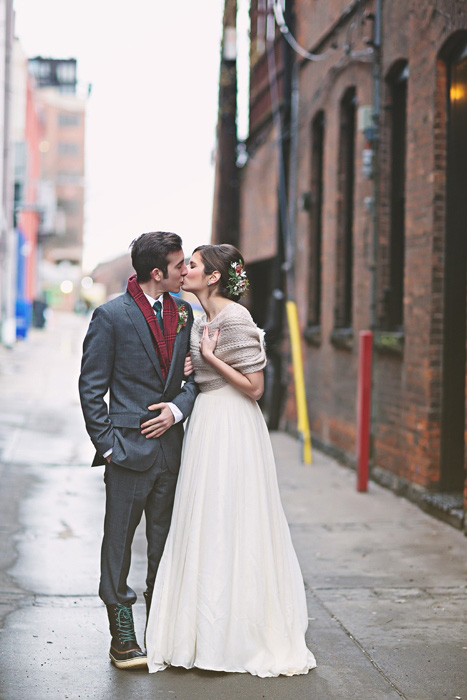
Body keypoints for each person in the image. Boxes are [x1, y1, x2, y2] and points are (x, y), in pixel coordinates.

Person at [146, 243, 316, 677]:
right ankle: (203, 629)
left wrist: (207, 358)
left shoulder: (235, 319)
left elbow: (255, 387)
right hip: (206, 422)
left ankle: (237, 633)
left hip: (233, 424)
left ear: (215, 276)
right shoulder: (201, 317)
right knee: (205, 520)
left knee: (231, 517)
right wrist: (192, 362)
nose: (185, 270)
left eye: (194, 265)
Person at [78, 231, 198, 669]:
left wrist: (177, 411)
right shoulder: (110, 316)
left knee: (166, 544)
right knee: (119, 545)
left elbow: (194, 381)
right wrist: (108, 447)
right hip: (127, 452)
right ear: (156, 272)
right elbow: (91, 388)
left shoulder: (184, 312)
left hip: (172, 451)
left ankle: (161, 629)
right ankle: (122, 636)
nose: (185, 271)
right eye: (179, 264)